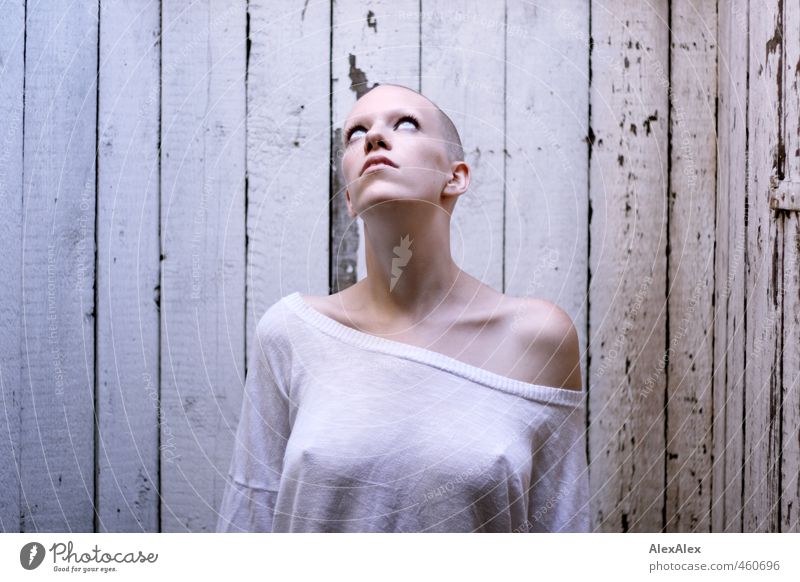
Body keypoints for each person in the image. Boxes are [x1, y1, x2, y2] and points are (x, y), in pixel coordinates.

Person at [216, 83, 590, 533]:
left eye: (406, 124)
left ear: (456, 177)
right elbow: (250, 520)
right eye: (356, 133)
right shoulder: (291, 333)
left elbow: (564, 533)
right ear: (349, 198)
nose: (373, 138)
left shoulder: (538, 339)